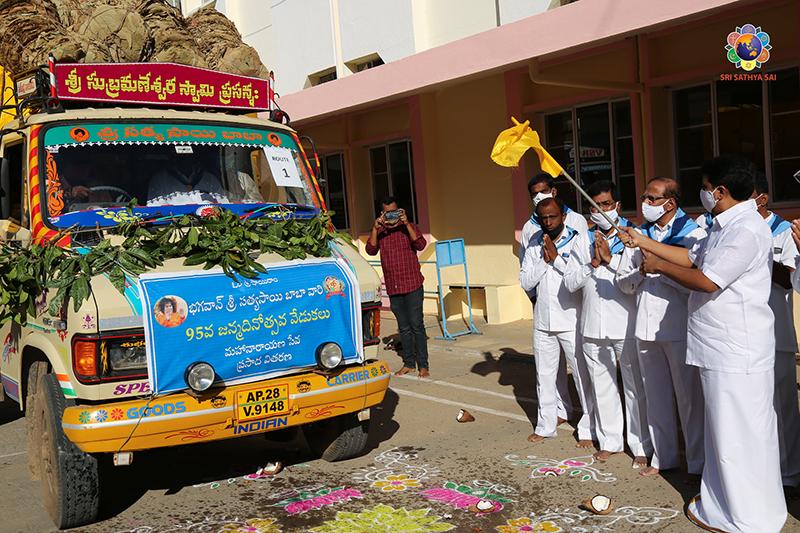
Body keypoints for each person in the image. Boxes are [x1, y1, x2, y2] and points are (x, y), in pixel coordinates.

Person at [621, 156, 786, 532]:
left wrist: (660, 267)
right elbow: (692, 256)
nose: (704, 194)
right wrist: (644, 241)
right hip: (720, 347)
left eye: (707, 188)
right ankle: (730, 504)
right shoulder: (722, 224)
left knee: (739, 435)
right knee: (726, 432)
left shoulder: (744, 230)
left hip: (735, 349)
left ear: (721, 192)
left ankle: (744, 517)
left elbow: (708, 279)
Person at [615, 177, 705, 478]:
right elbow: (624, 283)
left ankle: (697, 464)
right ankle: (663, 458)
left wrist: (662, 269)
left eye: (652, 198)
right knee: (655, 397)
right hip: (644, 326)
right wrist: (642, 270)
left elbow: (698, 285)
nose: (645, 203)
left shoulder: (693, 233)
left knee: (689, 400)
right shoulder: (639, 235)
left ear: (670, 203)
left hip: (678, 326)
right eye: (644, 197)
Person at [563, 181, 651, 469]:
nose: (602, 210)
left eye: (607, 204)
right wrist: (592, 263)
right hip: (591, 324)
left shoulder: (631, 237)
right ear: (590, 210)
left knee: (634, 387)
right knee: (601, 385)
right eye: (596, 206)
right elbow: (571, 281)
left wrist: (609, 260)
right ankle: (610, 440)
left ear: (617, 206)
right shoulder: (581, 239)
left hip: (624, 323)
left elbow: (633, 281)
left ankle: (640, 444)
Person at [520, 197, 595, 447]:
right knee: (545, 375)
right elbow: (526, 282)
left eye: (553, 217)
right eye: (544, 219)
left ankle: (589, 427)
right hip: (543, 320)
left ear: (563, 216)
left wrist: (556, 259)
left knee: (581, 375)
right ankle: (546, 425)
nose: (548, 222)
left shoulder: (577, 240)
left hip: (571, 318)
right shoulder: (533, 243)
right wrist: (544, 260)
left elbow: (579, 278)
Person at [750, 172, 800, 489]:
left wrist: (757, 257)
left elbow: (789, 279)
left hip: (778, 330)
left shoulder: (784, 231)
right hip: (749, 332)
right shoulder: (739, 229)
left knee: (784, 407)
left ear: (762, 199)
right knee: (759, 407)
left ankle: (791, 473)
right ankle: (766, 470)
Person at [366, 196, 430, 378]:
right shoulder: (381, 231)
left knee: (417, 325)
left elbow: (421, 244)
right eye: (388, 213)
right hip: (394, 288)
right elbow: (370, 250)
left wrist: (406, 223)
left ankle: (423, 365)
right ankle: (409, 364)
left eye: (395, 212)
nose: (392, 216)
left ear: (400, 211)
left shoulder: (408, 228)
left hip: (413, 285)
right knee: (404, 328)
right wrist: (375, 228)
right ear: (382, 213)